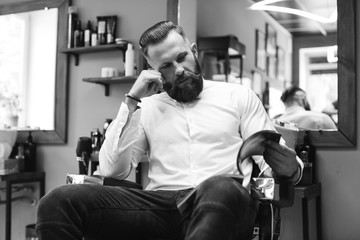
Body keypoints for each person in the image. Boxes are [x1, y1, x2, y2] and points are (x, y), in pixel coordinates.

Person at [36, 21, 303, 240]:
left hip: (222, 200)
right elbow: (112, 171)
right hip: (161, 206)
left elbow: (272, 157)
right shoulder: (146, 107)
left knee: (219, 186)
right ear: (153, 71)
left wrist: (289, 167)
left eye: (181, 58)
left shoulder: (238, 96)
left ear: (194, 51)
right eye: (165, 66)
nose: (178, 70)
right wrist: (131, 101)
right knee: (57, 200)